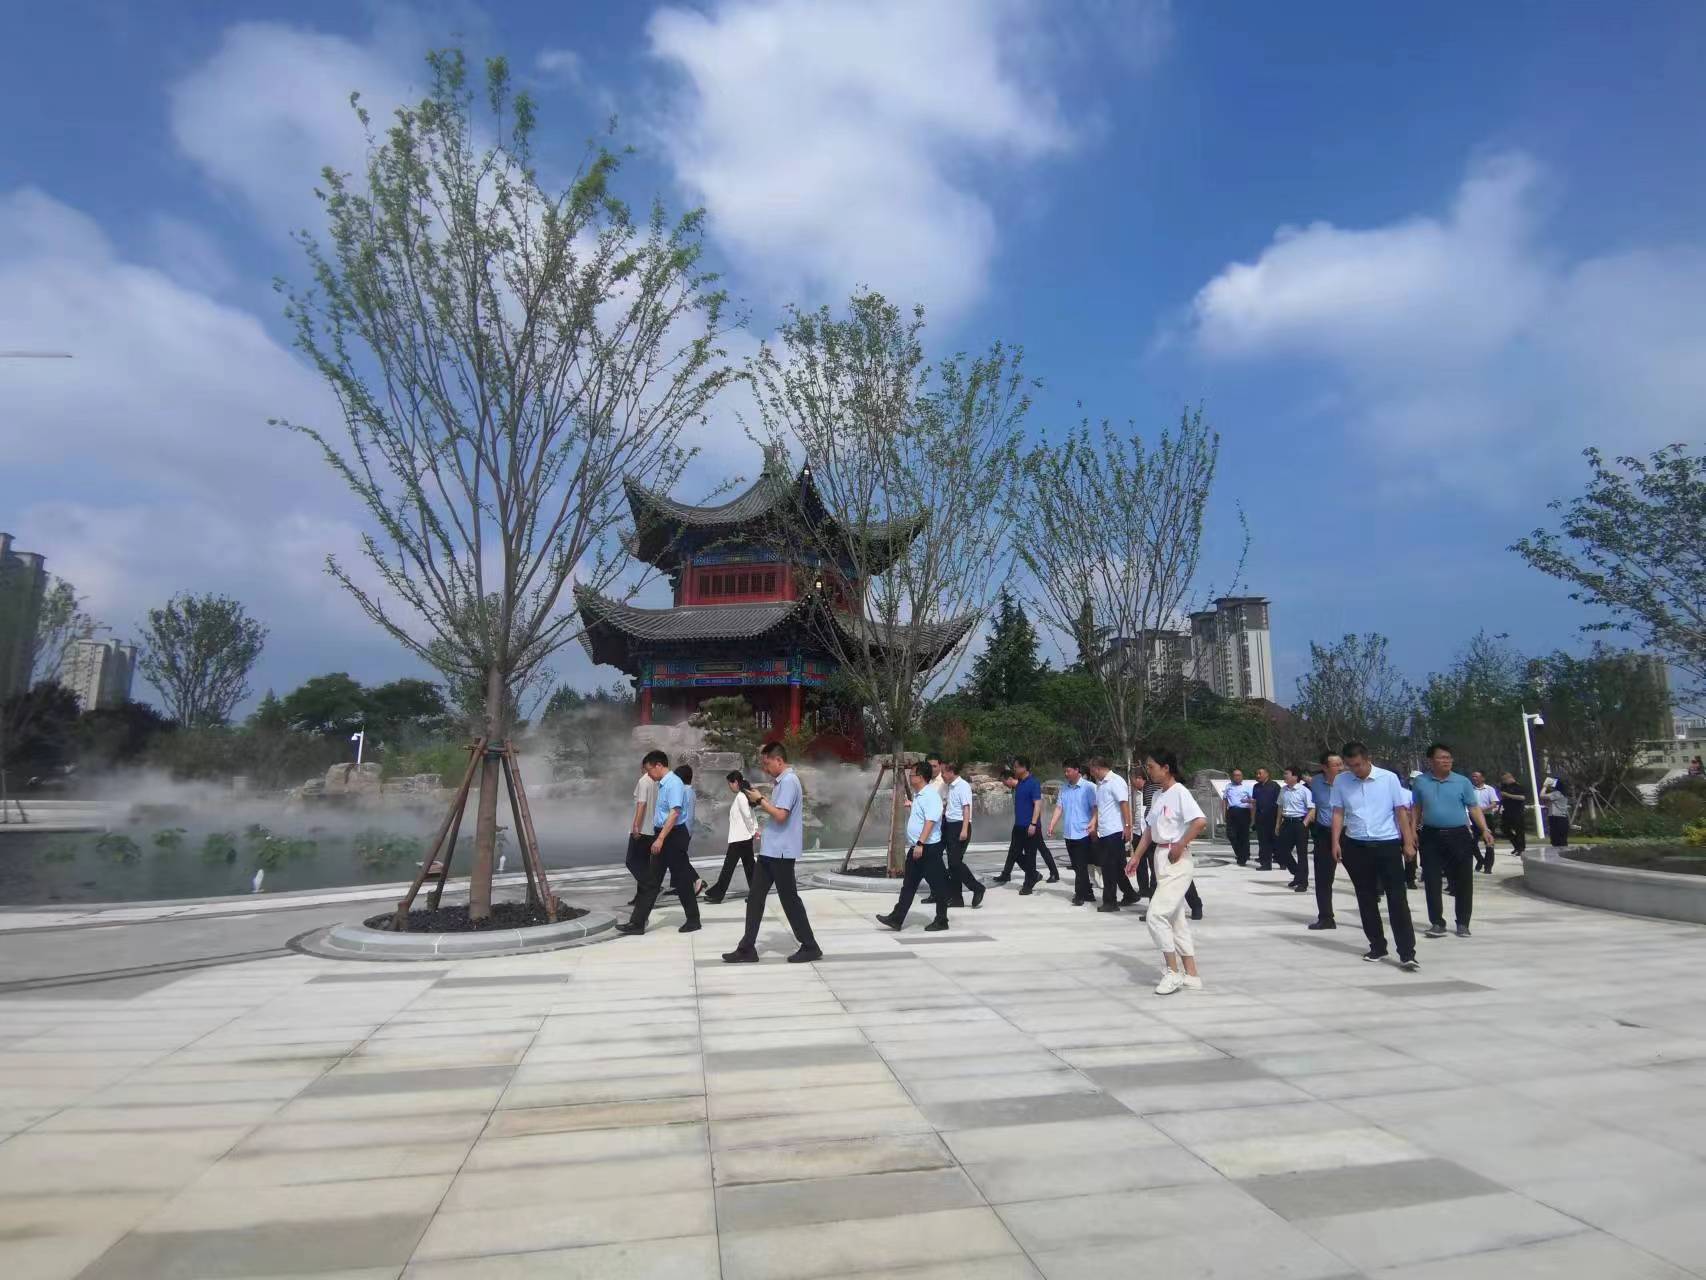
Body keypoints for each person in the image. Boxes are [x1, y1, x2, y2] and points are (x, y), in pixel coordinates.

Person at [723, 741, 821, 964]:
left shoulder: (789, 781)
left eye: (767, 764)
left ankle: (810, 946)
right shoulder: (780, 783)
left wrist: (759, 800)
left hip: (782, 852)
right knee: (755, 898)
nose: (765, 768)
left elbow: (781, 815)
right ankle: (747, 948)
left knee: (789, 900)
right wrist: (759, 799)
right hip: (771, 850)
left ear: (779, 760)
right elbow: (777, 811)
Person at [1330, 740, 1419, 971]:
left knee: (1397, 898)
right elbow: (1338, 812)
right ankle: (1377, 946)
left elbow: (1400, 812)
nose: (1355, 770)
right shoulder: (1341, 781)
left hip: (1386, 843)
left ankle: (1407, 952)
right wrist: (1335, 842)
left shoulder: (1388, 778)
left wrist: (1408, 842)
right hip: (1356, 844)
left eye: (1358, 765)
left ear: (1367, 759)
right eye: (1350, 766)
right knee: (1366, 897)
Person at [1127, 749, 1207, 995]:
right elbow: (1149, 830)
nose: (1148, 771)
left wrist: (1181, 844)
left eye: (1151, 767)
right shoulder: (1158, 795)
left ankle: (1172, 972)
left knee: (1156, 916)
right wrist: (1136, 856)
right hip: (1160, 857)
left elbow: (1200, 821)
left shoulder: (1180, 792)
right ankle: (1191, 974)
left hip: (1177, 859)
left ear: (1166, 768)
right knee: (1175, 920)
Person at [1412, 743, 1496, 939]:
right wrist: (1412, 830)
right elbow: (1416, 808)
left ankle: (1463, 923)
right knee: (1432, 879)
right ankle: (1437, 923)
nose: (1446, 761)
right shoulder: (1421, 782)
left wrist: (1485, 829)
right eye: (1441, 757)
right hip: (1431, 835)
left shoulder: (1462, 781)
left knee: (1464, 880)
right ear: (1431, 760)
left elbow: (1473, 807)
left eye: (1449, 757)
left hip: (1459, 835)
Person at [616, 751, 702, 936]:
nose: (648, 774)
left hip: (673, 836)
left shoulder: (674, 783)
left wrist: (661, 839)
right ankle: (637, 923)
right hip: (663, 833)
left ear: (658, 765)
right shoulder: (662, 784)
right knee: (651, 880)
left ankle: (693, 920)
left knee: (681, 880)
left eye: (649, 770)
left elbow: (675, 813)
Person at [877, 761, 952, 932]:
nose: (910, 777)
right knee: (909, 885)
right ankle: (897, 918)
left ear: (921, 777)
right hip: (917, 849)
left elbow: (930, 821)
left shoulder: (930, 795)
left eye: (912, 774)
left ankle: (942, 920)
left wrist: (920, 843)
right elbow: (922, 815)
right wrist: (911, 804)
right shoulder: (919, 795)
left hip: (927, 849)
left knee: (938, 885)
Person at [996, 757, 1055, 892]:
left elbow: (1037, 804)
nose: (1014, 769)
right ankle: (1032, 875)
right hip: (1018, 826)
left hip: (1030, 826)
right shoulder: (1019, 784)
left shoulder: (1033, 783)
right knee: (1014, 853)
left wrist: (1033, 824)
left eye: (1016, 767)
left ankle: (1028, 884)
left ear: (1023, 768)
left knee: (1030, 856)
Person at [1088, 757, 1140, 911]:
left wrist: (1128, 826)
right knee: (1117, 867)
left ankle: (1110, 902)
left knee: (1108, 868)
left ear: (1097, 767)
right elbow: (1100, 807)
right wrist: (1094, 824)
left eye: (1092, 770)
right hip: (1105, 831)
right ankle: (1130, 894)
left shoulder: (1115, 781)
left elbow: (1124, 804)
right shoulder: (1100, 784)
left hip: (1115, 831)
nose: (1091, 773)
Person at [933, 761, 985, 909]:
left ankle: (977, 888)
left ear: (951, 772)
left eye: (944, 772)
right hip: (949, 825)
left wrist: (964, 829)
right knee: (952, 863)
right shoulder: (949, 786)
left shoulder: (963, 786)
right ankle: (957, 898)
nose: (942, 775)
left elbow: (966, 808)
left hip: (960, 826)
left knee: (955, 863)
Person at [703, 770, 758, 903]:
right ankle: (757, 894)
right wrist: (754, 830)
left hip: (739, 839)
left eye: (730, 784)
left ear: (736, 782)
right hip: (744, 838)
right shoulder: (744, 795)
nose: (729, 787)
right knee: (749, 867)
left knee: (729, 868)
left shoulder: (741, 796)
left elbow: (747, 816)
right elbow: (751, 814)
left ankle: (718, 894)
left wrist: (753, 831)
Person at [1049, 760, 1100, 905]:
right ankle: (1088, 892)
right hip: (1069, 833)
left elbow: (1096, 808)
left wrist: (1093, 824)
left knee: (1081, 865)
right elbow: (1059, 807)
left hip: (1083, 832)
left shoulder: (1089, 787)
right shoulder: (1064, 788)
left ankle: (1079, 895)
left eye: (1068, 771)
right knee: (1077, 866)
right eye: (1065, 771)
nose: (1066, 774)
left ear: (1077, 770)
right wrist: (1052, 824)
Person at [1306, 752, 1342, 930]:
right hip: (1324, 833)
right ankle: (1326, 918)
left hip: (1347, 833)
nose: (1340, 768)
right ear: (1324, 768)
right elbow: (1317, 806)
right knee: (1323, 879)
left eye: (1341, 764)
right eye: (1336, 765)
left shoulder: (1350, 782)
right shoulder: (1317, 782)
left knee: (1362, 879)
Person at [624, 759, 659, 906]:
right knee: (644, 864)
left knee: (631, 862)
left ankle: (652, 888)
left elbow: (642, 804)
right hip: (652, 829)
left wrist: (636, 826)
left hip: (642, 829)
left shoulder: (644, 781)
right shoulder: (656, 782)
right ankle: (641, 896)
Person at [1276, 765, 1312, 892]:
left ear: (1295, 777)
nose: (1284, 776)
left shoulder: (1304, 791)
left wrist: (1305, 823)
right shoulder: (1283, 790)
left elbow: (1312, 809)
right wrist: (1277, 824)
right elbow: (1280, 807)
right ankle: (1297, 873)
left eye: (1287, 773)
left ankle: (1303, 882)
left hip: (1299, 823)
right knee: (1281, 851)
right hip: (1286, 823)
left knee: (1302, 854)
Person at [1469, 770, 1500, 873]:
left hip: (1487, 816)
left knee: (1489, 843)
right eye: (1473, 776)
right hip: (1473, 818)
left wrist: (1482, 809)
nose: (1474, 778)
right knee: (1471, 842)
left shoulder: (1489, 789)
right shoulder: (1470, 789)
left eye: (1476, 776)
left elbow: (1494, 803)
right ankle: (1480, 860)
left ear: (1483, 778)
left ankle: (1488, 866)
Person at [1251, 767, 1282, 870]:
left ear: (1267, 774)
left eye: (1260, 773)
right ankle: (1266, 864)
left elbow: (1280, 804)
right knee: (1263, 842)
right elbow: (1254, 803)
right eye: (1257, 773)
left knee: (1276, 841)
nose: (1258, 775)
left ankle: (1282, 862)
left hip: (1272, 817)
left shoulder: (1275, 786)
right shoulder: (1256, 787)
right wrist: (1253, 819)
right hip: (1260, 817)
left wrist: (1279, 820)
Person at [1222, 769, 1253, 866]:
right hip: (1231, 812)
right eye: (1235, 775)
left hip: (1244, 812)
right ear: (1232, 777)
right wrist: (1224, 813)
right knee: (1231, 835)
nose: (1237, 777)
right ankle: (1241, 854)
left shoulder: (1247, 787)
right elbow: (1224, 800)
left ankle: (1243, 857)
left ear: (1242, 776)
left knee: (1243, 836)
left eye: (1239, 775)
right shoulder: (1228, 786)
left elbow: (1253, 801)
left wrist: (1252, 816)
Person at [1498, 771, 1530, 858]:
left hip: (1517, 812)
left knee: (1519, 831)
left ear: (1509, 778)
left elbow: (1522, 797)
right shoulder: (1504, 787)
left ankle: (1521, 848)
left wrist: (1508, 795)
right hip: (1507, 811)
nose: (1503, 782)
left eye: (1504, 780)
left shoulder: (1518, 787)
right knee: (1504, 828)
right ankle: (1516, 845)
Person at [1543, 778, 1571, 847]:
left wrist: (1545, 787)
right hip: (1560, 818)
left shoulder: (1557, 793)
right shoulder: (1562, 794)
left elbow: (1541, 795)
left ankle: (1559, 852)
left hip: (1557, 818)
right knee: (1560, 840)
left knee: (1557, 840)